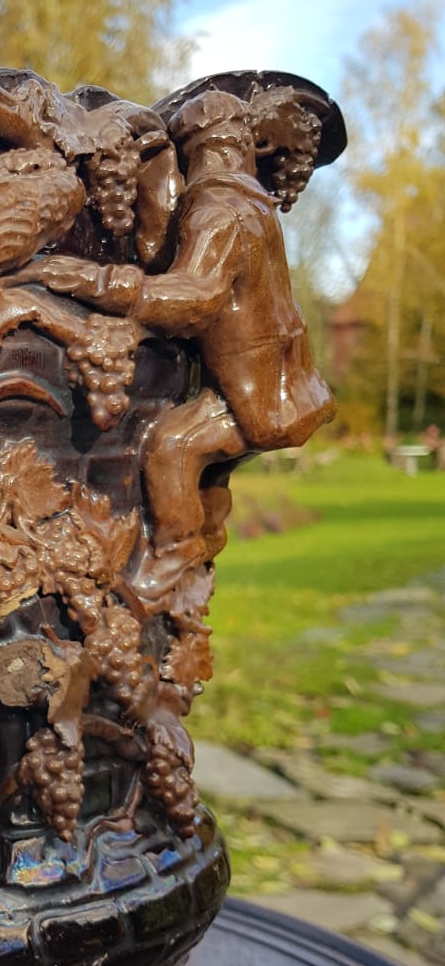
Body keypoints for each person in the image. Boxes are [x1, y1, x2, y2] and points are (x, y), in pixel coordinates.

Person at [35, 88, 335, 599]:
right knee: (209, 466)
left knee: (172, 447)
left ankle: (173, 555)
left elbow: (191, 297)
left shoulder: (220, 209)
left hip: (259, 400)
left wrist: (95, 281)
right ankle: (208, 528)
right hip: (284, 387)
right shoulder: (250, 200)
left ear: (196, 148)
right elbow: (164, 253)